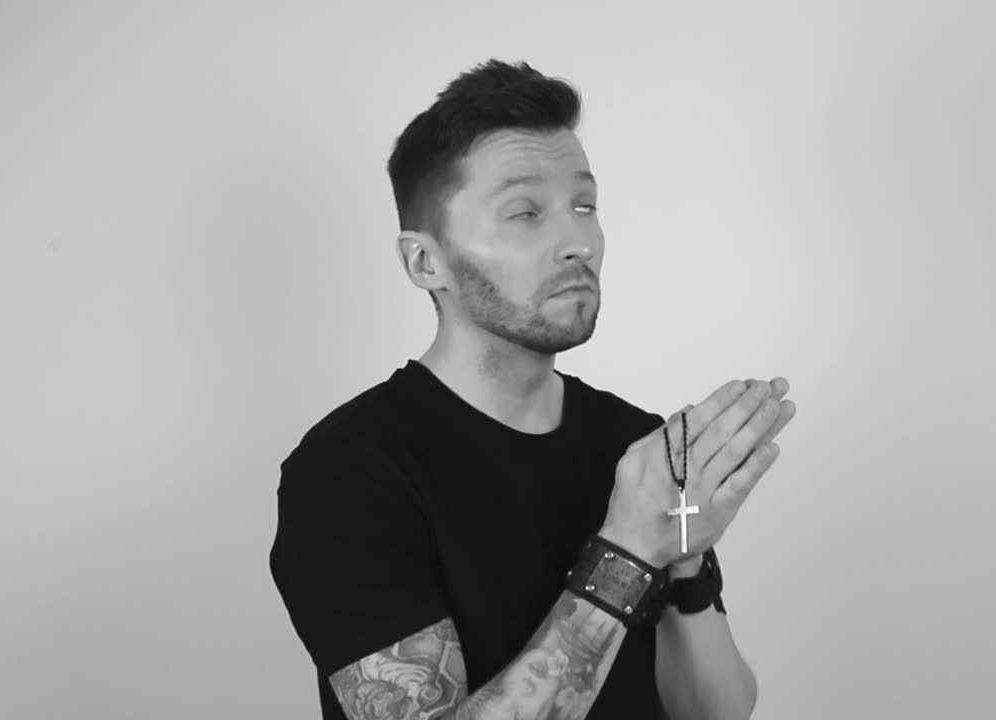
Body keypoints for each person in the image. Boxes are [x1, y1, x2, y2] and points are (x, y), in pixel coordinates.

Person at [268, 58, 797, 720]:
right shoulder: (351, 473)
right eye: (525, 212)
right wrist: (629, 553)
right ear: (425, 261)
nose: (577, 240)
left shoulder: (635, 446)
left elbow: (716, 712)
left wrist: (684, 562)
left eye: (584, 205)